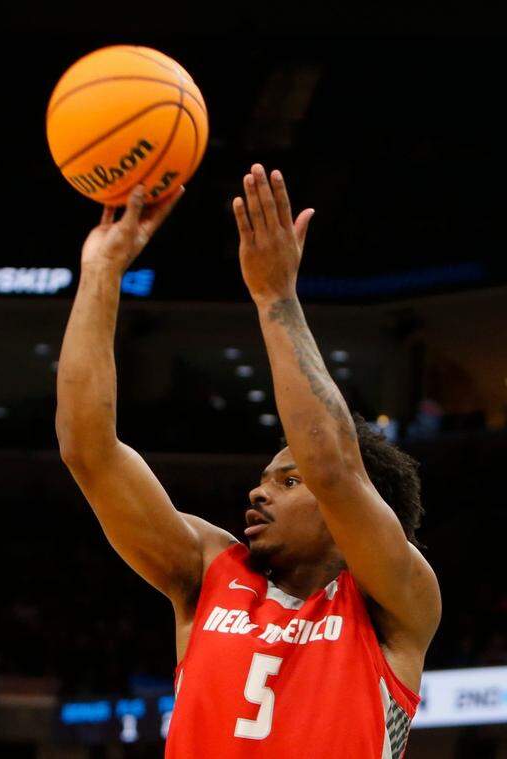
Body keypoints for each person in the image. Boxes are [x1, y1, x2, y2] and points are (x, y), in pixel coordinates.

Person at [56, 165, 441, 757]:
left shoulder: (397, 598)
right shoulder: (208, 570)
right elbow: (89, 451)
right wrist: (101, 273)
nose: (259, 494)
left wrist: (275, 298)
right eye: (264, 480)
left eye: (289, 480)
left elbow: (334, 468)